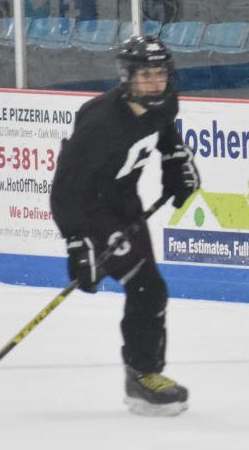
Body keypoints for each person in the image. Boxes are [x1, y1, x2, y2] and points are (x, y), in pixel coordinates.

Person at [49, 34, 200, 417]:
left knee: (150, 290)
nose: (155, 82)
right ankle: (143, 376)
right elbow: (65, 190)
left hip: (126, 206)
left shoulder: (165, 104)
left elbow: (165, 136)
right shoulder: (100, 125)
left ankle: (141, 375)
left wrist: (176, 166)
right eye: (145, 75)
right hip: (93, 211)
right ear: (127, 78)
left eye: (160, 73)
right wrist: (77, 244)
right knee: (148, 287)